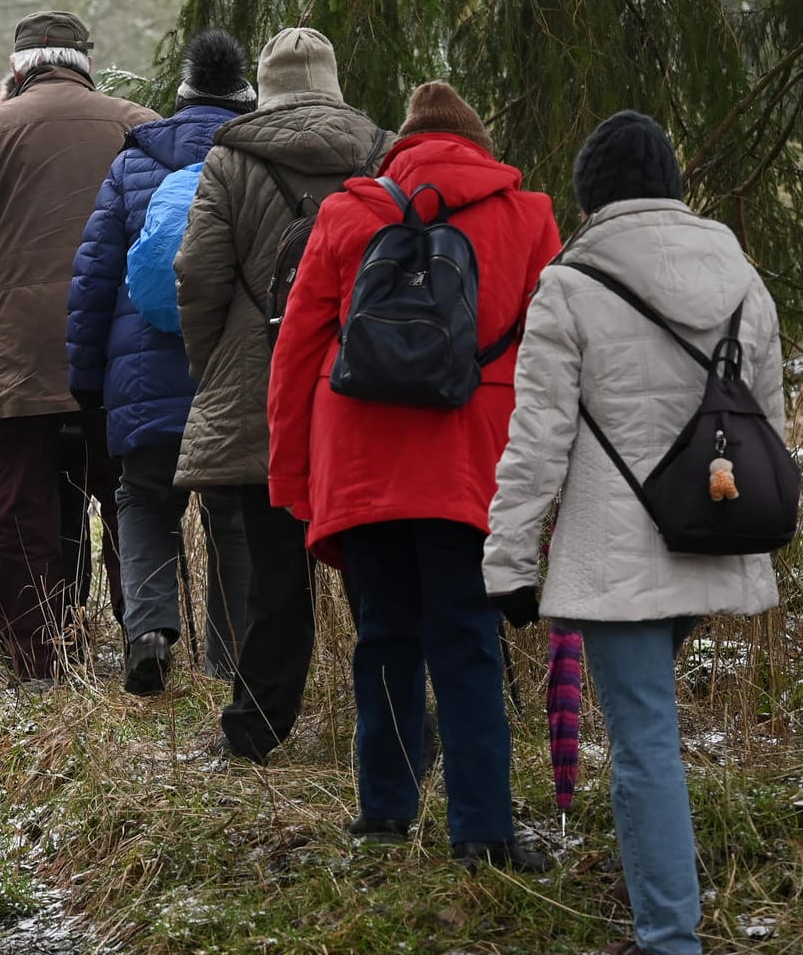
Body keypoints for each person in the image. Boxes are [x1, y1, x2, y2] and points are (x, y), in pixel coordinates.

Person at [485, 111, 783, 954]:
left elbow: (536, 442)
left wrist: (508, 562)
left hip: (617, 556)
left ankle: (668, 938)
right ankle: (667, 918)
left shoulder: (570, 285)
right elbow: (768, 422)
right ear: (674, 185)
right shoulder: (741, 279)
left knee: (646, 738)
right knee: (654, 730)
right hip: (715, 531)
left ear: (590, 198)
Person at [267, 81, 561, 869]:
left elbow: (295, 355)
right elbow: (551, 362)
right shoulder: (527, 216)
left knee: (384, 637)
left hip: (358, 460)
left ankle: (384, 819)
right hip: (472, 462)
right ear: (479, 146)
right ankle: (482, 833)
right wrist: (551, 491)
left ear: (399, 146)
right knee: (468, 641)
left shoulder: (346, 213)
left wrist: (295, 478)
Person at [0, 10, 156, 684]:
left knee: (20, 506)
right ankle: (146, 638)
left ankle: (35, 659)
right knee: (130, 497)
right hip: (120, 344)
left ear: (18, 69)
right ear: (85, 63)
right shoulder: (137, 122)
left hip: (20, 350)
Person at [174, 27, 390, 742]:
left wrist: (217, 365)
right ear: (333, 80)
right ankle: (390, 722)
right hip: (365, 382)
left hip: (262, 383)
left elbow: (198, 273)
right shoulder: (380, 152)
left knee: (275, 572)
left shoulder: (232, 158)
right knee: (373, 572)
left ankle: (258, 724)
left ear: (264, 88)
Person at [67, 29, 256, 695]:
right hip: (231, 378)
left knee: (143, 501)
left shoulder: (135, 163)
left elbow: (92, 280)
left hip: (144, 375)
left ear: (180, 97)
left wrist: (86, 379)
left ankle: (149, 632)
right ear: (244, 99)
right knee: (232, 514)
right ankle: (230, 663)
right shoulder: (257, 163)